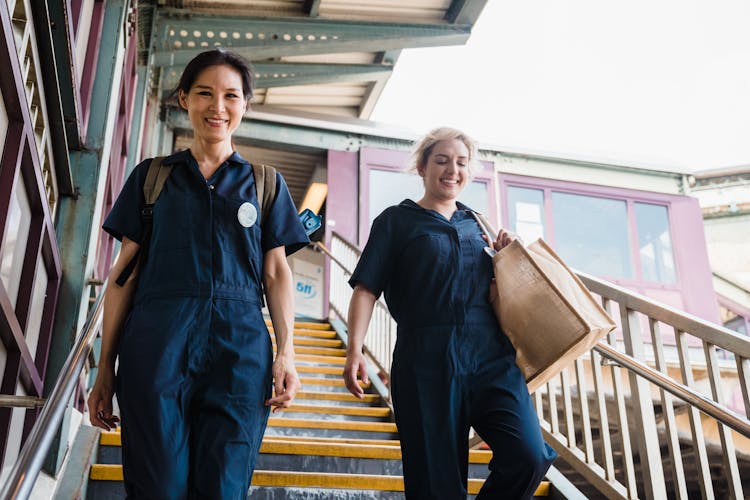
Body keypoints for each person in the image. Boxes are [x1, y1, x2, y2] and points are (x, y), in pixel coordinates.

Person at [87, 49, 309, 498]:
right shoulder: (153, 177)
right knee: (158, 485)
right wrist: (105, 367)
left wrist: (287, 353)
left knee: (224, 486)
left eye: (231, 96)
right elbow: (121, 277)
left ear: (245, 105)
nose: (218, 107)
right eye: (205, 93)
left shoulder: (265, 183)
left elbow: (277, 273)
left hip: (240, 348)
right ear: (184, 98)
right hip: (157, 342)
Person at [343, 127, 557, 499]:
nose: (451, 170)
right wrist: (354, 350)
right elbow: (365, 289)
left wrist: (507, 258)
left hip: (491, 356)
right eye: (441, 160)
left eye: (461, 163)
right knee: (436, 484)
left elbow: (501, 294)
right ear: (423, 167)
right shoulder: (396, 222)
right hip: (426, 358)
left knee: (529, 455)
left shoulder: (479, 225)